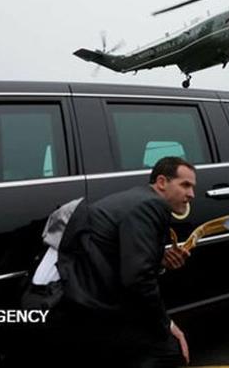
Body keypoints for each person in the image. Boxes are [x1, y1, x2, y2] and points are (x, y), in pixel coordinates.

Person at [53, 156, 195, 366]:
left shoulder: (136, 198)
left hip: (78, 297)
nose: (191, 194)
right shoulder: (151, 205)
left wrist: (159, 263)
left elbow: (123, 260)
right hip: (93, 306)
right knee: (169, 351)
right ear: (162, 182)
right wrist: (167, 324)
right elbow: (138, 280)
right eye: (185, 185)